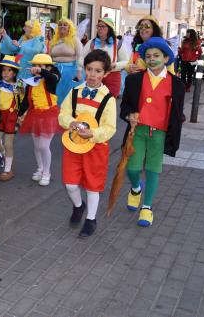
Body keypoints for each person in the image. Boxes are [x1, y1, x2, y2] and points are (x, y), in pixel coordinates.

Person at [121, 37, 185, 227]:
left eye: (156, 55)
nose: (152, 59)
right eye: (148, 56)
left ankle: (147, 208)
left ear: (166, 58)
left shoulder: (177, 84)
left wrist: (174, 132)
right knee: (132, 168)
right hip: (137, 131)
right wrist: (129, 115)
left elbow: (177, 113)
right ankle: (135, 188)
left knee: (152, 170)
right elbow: (124, 106)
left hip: (159, 133)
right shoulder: (134, 80)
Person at [58, 51, 117, 237]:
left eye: (97, 71)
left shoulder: (108, 99)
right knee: (70, 184)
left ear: (105, 74)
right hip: (74, 145)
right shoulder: (74, 92)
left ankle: (91, 219)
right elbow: (63, 114)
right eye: (89, 69)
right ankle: (78, 206)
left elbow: (110, 128)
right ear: (84, 70)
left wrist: (93, 133)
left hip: (96, 147)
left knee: (92, 186)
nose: (92, 74)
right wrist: (71, 123)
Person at [18, 54, 62, 185]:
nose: (36, 68)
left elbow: (52, 78)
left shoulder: (51, 79)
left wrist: (41, 71)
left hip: (49, 114)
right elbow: (26, 100)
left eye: (40, 66)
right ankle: (40, 168)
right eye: (35, 66)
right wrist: (19, 113)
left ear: (48, 67)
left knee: (44, 145)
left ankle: (47, 172)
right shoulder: (32, 82)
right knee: (37, 146)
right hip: (35, 115)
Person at [0, 55, 24, 181]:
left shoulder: (19, 85)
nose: (6, 73)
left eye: (9, 70)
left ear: (14, 73)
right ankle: (5, 155)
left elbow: (23, 102)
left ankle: (7, 170)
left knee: (9, 143)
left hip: (12, 116)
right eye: (4, 70)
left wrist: (21, 116)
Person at [79, 17, 129, 97]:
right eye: (98, 26)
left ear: (109, 29)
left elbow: (126, 61)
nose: (99, 28)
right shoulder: (92, 42)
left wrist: (115, 65)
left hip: (112, 78)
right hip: (93, 76)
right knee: (92, 102)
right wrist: (89, 66)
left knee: (108, 102)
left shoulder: (118, 43)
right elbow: (81, 59)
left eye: (103, 26)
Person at [50, 18, 84, 106]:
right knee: (54, 95)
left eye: (65, 25)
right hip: (55, 71)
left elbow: (80, 56)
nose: (62, 26)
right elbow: (50, 57)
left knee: (68, 96)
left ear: (70, 28)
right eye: (60, 24)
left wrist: (79, 71)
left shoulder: (74, 39)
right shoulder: (54, 40)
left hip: (70, 72)